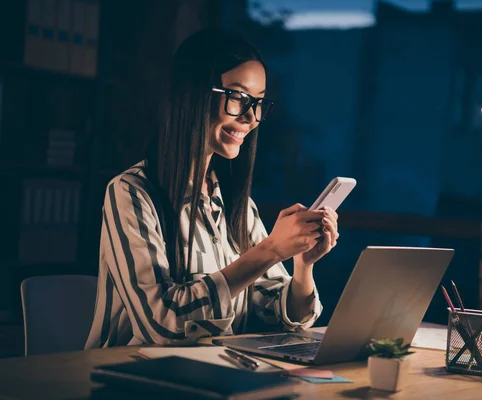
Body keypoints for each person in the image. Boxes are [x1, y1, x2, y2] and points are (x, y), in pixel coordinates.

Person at [85, 29, 339, 348]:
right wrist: (271, 249)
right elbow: (161, 323)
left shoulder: (237, 206)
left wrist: (302, 264)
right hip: (135, 377)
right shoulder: (131, 193)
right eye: (238, 97)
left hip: (217, 374)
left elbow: (276, 313)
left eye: (258, 103)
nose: (250, 117)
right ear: (194, 94)